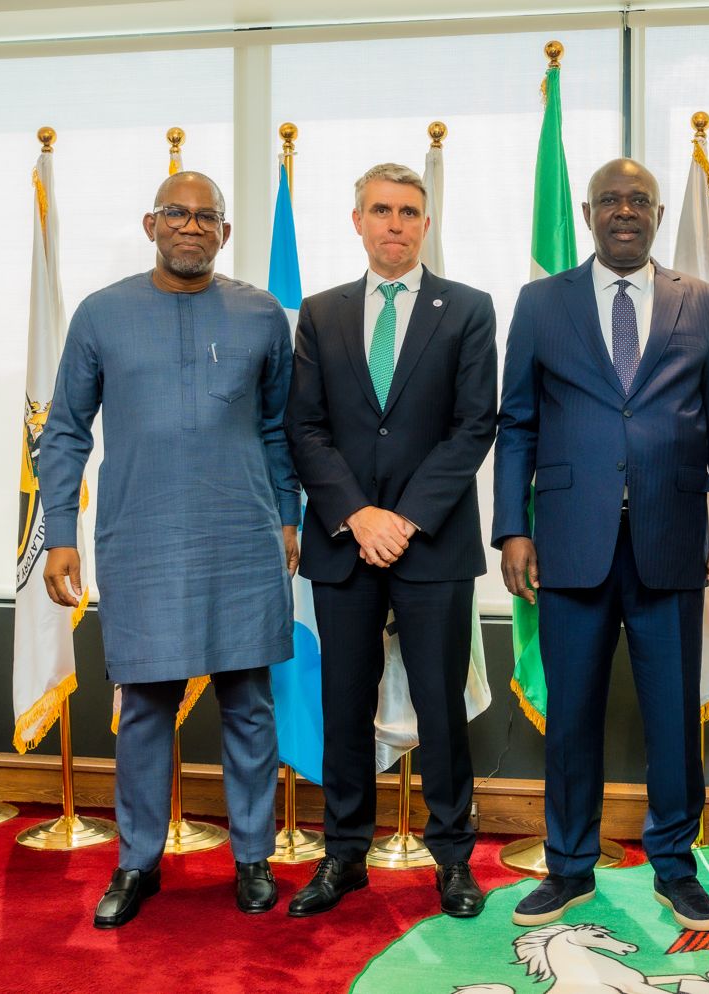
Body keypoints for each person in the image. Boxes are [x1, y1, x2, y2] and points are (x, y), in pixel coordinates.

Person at [494, 158, 709, 931]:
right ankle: (569, 868)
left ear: (659, 214)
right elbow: (517, 422)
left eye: (639, 200)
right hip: (569, 542)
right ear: (588, 213)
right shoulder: (542, 302)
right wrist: (512, 527)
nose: (625, 211)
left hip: (670, 542)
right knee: (572, 717)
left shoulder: (701, 302)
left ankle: (675, 868)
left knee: (672, 719)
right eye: (611, 199)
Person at [40, 171, 299, 928]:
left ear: (224, 232)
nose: (191, 226)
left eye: (206, 216)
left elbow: (279, 429)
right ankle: (137, 862)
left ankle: (252, 857)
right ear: (150, 223)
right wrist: (60, 533)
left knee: (248, 703)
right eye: (176, 214)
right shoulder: (101, 313)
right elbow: (65, 431)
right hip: (141, 535)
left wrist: (288, 518)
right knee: (146, 708)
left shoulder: (261, 314)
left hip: (243, 534)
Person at [284, 163, 497, 919]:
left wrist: (401, 519)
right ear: (358, 221)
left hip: (432, 541)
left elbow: (474, 425)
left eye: (409, 211)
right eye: (381, 210)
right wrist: (358, 515)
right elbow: (304, 427)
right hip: (344, 542)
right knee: (344, 704)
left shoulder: (467, 308)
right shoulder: (322, 313)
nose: (395, 223)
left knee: (441, 705)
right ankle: (344, 855)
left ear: (426, 224)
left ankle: (453, 859)